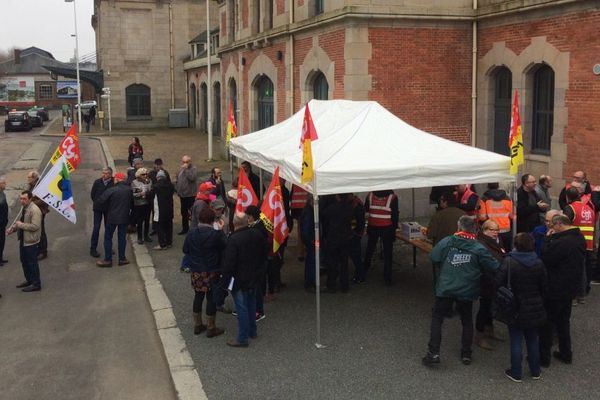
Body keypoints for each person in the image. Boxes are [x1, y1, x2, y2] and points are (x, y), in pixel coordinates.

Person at [422, 216, 500, 366]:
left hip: (446, 287)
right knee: (466, 321)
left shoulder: (447, 241)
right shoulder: (478, 247)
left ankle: (433, 353)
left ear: (459, 228)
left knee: (438, 318)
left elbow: (433, 257)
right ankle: (466, 354)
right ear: (475, 230)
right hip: (467, 289)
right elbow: (494, 266)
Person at [497, 233, 547, 383]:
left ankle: (516, 372)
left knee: (516, 339)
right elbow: (544, 286)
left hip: (515, 306)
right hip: (535, 306)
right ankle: (535, 370)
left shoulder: (510, 262)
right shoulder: (538, 262)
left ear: (516, 245)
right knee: (532, 339)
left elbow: (498, 281)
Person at [539, 213, 586, 367]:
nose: (552, 230)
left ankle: (543, 358)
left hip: (556, 287)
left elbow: (546, 256)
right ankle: (566, 353)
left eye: (553, 227)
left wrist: (548, 238)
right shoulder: (579, 237)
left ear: (559, 224)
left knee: (548, 322)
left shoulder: (564, 242)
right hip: (571, 287)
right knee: (563, 322)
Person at [221, 212, 268, 347]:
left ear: (234, 223)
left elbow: (229, 263)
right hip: (255, 276)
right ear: (247, 221)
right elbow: (263, 254)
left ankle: (242, 338)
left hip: (239, 279)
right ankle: (252, 331)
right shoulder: (257, 234)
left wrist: (224, 282)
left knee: (241, 308)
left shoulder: (233, 239)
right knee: (252, 304)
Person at [183, 208, 228, 337]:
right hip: (211, 270)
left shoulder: (191, 233)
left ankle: (197, 325)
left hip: (196, 270)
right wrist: (221, 231)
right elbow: (226, 245)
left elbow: (185, 249)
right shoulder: (215, 234)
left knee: (198, 296)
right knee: (211, 298)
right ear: (212, 220)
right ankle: (211, 327)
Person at [474, 219, 507, 350]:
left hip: (495, 280)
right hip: (486, 281)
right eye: (491, 230)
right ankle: (480, 335)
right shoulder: (481, 244)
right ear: (484, 230)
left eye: (497, 230)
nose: (495, 233)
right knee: (484, 308)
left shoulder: (497, 241)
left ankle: (489, 330)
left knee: (490, 307)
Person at [562, 186, 594, 304]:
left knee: (573, 269)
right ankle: (581, 294)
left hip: (574, 242)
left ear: (567, 197)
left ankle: (574, 295)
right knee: (583, 269)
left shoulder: (570, 208)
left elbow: (564, 225)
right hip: (587, 243)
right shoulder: (589, 209)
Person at [5, 190, 42, 292]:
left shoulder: (34, 210)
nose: (22, 201)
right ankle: (29, 280)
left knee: (32, 262)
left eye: (24, 199)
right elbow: (20, 222)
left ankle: (36, 283)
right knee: (24, 261)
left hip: (31, 241)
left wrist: (20, 225)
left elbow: (35, 226)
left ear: (30, 199)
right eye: (21, 199)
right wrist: (12, 229)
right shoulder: (24, 208)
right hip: (23, 240)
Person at [94, 172, 133, 267]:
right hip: (124, 217)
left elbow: (100, 201)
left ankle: (108, 260)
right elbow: (132, 203)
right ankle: (122, 258)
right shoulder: (129, 190)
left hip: (112, 217)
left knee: (108, 237)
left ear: (117, 179)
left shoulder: (111, 190)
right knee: (122, 238)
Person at [363, 189, 399, 286]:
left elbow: (366, 209)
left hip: (373, 226)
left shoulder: (370, 195)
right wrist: (394, 229)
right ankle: (387, 278)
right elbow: (395, 215)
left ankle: (363, 272)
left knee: (369, 250)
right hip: (387, 228)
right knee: (388, 253)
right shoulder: (393, 197)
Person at [322, 193, 354, 293]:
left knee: (332, 262)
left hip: (333, 238)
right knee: (344, 262)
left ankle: (331, 284)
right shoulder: (349, 208)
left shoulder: (332, 208)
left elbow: (323, 216)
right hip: (345, 237)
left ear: (337, 196)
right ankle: (344, 285)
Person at [246, 205, 269, 320]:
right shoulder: (258, 226)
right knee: (256, 286)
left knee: (257, 287)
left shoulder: (257, 230)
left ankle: (259, 311)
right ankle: (256, 309)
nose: (247, 218)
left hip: (258, 263)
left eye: (248, 216)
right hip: (259, 262)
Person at [478, 182, 513, 251]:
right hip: (506, 230)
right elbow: (512, 216)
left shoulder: (484, 198)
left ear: (487, 186)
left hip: (491, 231)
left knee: (494, 252)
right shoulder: (507, 198)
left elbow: (482, 217)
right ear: (498, 186)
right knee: (506, 251)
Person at [90, 167, 114, 257]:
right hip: (98, 208)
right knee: (96, 228)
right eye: (103, 173)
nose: (104, 175)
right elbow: (92, 195)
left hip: (108, 209)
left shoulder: (113, 183)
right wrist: (97, 202)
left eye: (106, 173)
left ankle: (108, 247)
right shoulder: (97, 182)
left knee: (108, 229)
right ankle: (93, 249)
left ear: (110, 174)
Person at [26, 171, 49, 260]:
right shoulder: (31, 185)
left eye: (29, 178)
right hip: (33, 212)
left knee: (41, 231)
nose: (28, 179)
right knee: (36, 231)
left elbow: (43, 200)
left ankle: (43, 251)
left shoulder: (41, 186)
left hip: (40, 211)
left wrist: (31, 202)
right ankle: (39, 249)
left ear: (34, 178)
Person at [175, 155, 198, 235]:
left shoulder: (193, 169)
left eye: (186, 162)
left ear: (190, 162)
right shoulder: (181, 169)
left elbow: (192, 178)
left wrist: (186, 170)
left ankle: (193, 228)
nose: (185, 164)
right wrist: (177, 188)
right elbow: (177, 178)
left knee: (192, 212)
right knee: (183, 212)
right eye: (183, 162)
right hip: (182, 195)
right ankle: (185, 228)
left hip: (190, 195)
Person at [152, 170, 175, 250]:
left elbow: (151, 195)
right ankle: (169, 242)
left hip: (160, 209)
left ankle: (162, 244)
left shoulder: (156, 186)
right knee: (169, 226)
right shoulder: (171, 185)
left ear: (158, 177)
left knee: (160, 227)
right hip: (169, 208)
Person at [131, 168, 153, 245]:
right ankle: (139, 237)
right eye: (143, 174)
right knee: (140, 221)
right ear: (139, 175)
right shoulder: (134, 182)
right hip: (139, 204)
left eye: (146, 174)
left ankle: (146, 236)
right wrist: (141, 194)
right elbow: (134, 194)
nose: (145, 175)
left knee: (147, 220)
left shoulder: (149, 181)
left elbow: (151, 190)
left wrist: (148, 193)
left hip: (147, 203)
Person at [300, 198, 317, 291]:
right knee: (311, 262)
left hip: (309, 241)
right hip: (310, 241)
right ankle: (310, 283)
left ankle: (310, 282)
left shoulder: (307, 210)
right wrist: (311, 241)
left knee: (310, 261)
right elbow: (306, 229)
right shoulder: (309, 212)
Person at [349, 193, 366, 284]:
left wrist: (356, 233)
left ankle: (360, 276)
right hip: (354, 234)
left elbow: (360, 223)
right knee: (355, 256)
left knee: (356, 256)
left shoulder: (357, 206)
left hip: (354, 235)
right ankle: (359, 274)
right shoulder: (355, 204)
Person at [290, 184, 309, 261]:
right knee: (307, 230)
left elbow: (292, 195)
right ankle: (304, 250)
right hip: (307, 207)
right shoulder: (310, 180)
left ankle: (300, 253)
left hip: (297, 208)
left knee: (300, 231)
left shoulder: (295, 182)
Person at [0, 176, 8, 266]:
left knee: (2, 240)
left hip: (3, 222)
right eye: (4, 183)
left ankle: (0, 258)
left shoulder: (3, 193)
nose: (6, 184)